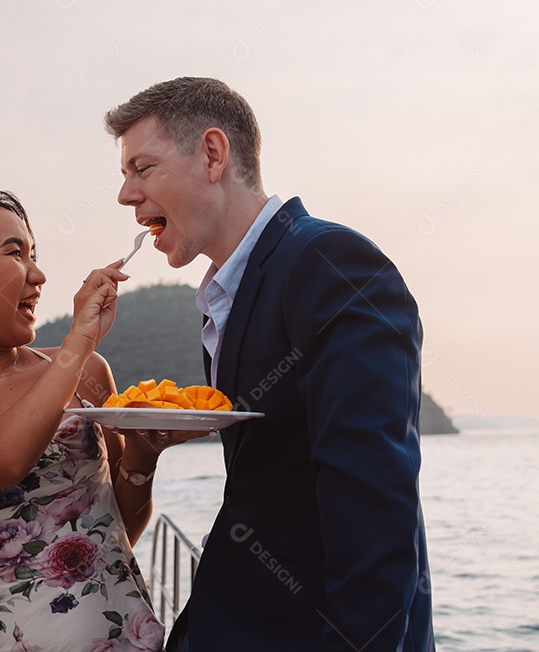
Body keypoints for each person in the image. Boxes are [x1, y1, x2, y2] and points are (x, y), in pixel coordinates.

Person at [105, 77, 435, 652]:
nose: (126, 194)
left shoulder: (331, 263)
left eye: (143, 167)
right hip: (233, 617)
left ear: (212, 154)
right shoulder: (224, 295)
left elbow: (374, 510)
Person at [0, 191, 203, 652]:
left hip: (119, 635)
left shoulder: (88, 372)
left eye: (35, 254)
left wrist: (143, 458)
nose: (40, 275)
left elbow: (119, 526)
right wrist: (79, 340)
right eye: (15, 253)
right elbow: (1, 459)